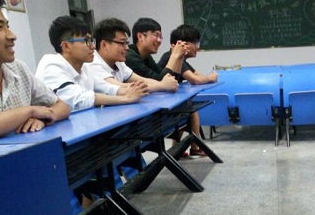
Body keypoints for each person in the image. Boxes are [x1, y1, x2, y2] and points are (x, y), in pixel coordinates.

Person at [0, 0, 70, 139]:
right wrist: (31, 111)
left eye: (7, 26)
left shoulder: (17, 69)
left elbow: (62, 106)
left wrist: (42, 118)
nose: (12, 35)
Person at [126, 18, 207, 157]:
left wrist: (178, 58)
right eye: (156, 35)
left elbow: (166, 80)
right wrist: (174, 56)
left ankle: (180, 149)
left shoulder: (146, 57)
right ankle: (183, 149)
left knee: (188, 108)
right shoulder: (130, 57)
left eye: (160, 36)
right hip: (136, 116)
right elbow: (161, 82)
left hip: (145, 107)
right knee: (186, 110)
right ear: (140, 36)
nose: (159, 40)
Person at [36, 15, 148, 110]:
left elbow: (107, 88)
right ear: (66, 46)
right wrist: (126, 98)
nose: (93, 46)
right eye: (86, 41)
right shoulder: (51, 65)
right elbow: (79, 99)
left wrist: (133, 91)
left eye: (91, 40)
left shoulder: (84, 67)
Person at [90, 17, 180, 93]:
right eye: (122, 43)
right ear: (104, 44)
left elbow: (142, 80)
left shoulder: (118, 62)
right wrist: (162, 85)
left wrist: (163, 84)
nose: (127, 48)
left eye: (126, 43)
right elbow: (121, 88)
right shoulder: (93, 64)